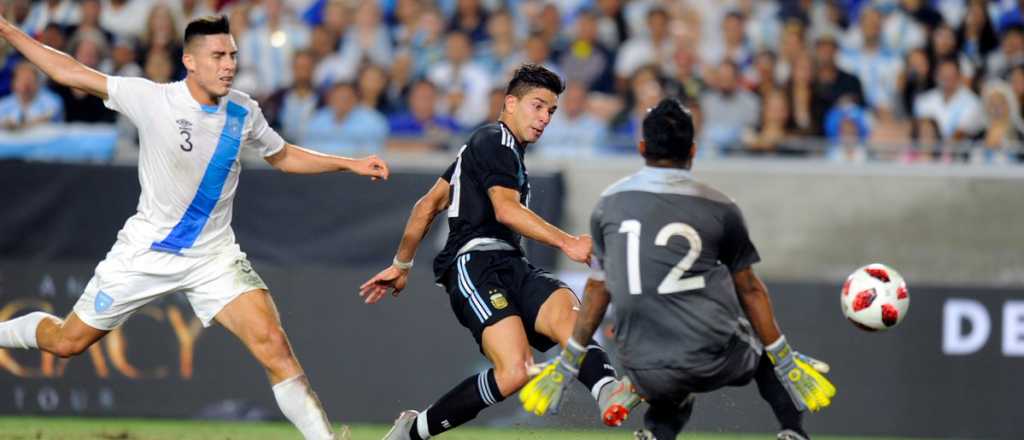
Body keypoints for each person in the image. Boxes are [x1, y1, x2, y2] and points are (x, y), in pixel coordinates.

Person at [0, 15, 392, 440]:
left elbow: (283, 156)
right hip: (146, 251)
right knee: (66, 342)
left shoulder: (243, 110)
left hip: (212, 257)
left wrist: (348, 163)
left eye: (233, 56)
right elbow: (66, 70)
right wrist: (7, 30)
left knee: (273, 344)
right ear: (190, 60)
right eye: (218, 56)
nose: (229, 65)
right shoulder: (151, 98)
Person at [520, 98, 835, 440]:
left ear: (642, 148)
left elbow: (598, 290)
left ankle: (656, 432)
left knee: (672, 388)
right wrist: (784, 358)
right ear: (694, 150)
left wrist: (569, 362)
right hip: (710, 350)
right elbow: (750, 289)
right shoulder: (719, 205)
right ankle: (792, 431)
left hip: (641, 363)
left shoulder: (609, 203)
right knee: (766, 351)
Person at [359, 64, 640, 440]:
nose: (544, 119)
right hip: (474, 264)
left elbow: (427, 206)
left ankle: (608, 392)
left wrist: (401, 264)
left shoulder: (486, 150)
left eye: (551, 112)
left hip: (511, 262)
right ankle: (413, 433)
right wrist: (568, 241)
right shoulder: (494, 139)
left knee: (566, 315)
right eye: (538, 106)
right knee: (515, 371)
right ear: (510, 103)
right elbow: (505, 209)